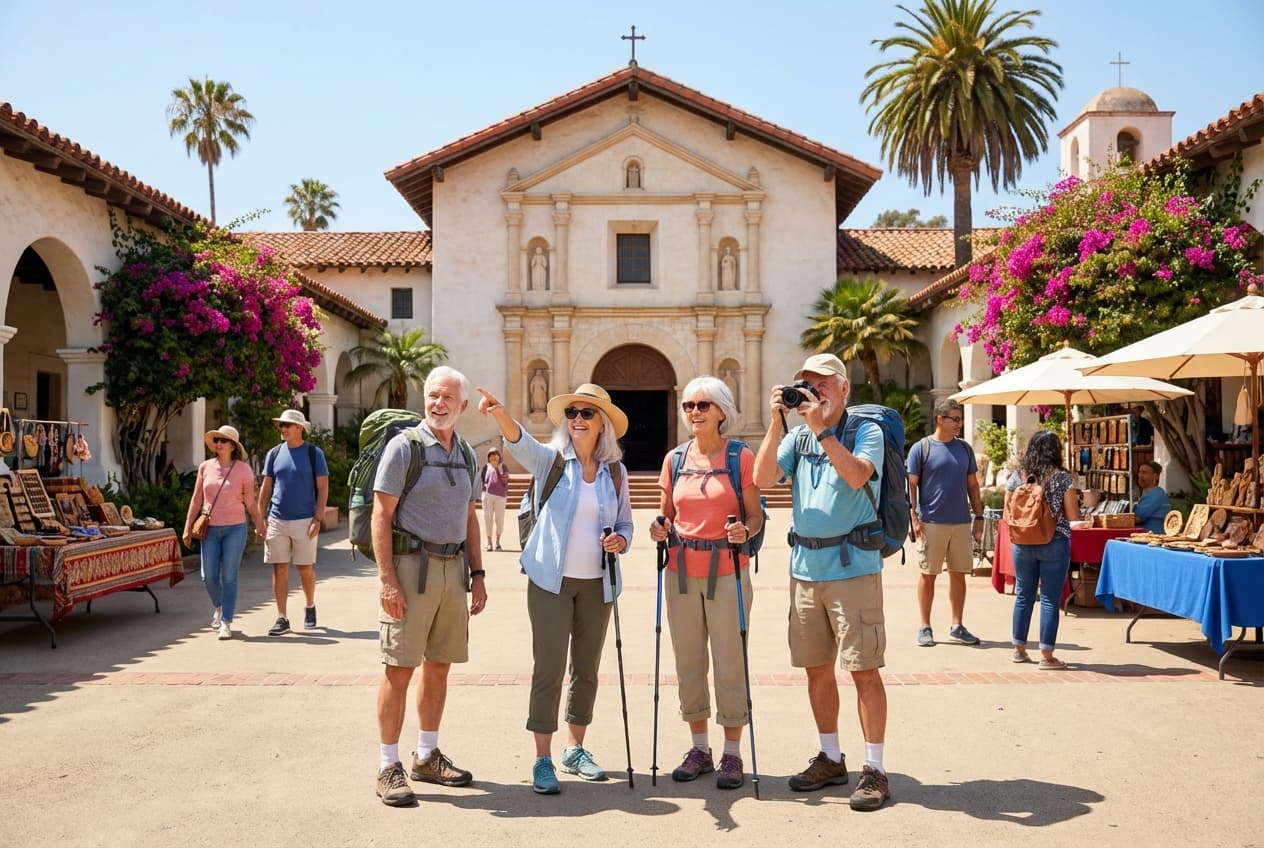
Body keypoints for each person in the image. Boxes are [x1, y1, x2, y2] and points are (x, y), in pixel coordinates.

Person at [477, 382, 633, 795]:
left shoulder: (614, 473)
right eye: (573, 413)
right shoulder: (552, 463)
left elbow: (626, 524)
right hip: (550, 582)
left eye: (587, 414)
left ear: (602, 424)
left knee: (586, 670)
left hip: (598, 583)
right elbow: (521, 443)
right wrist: (499, 412)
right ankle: (542, 758)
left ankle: (575, 749)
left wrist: (621, 540)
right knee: (548, 668)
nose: (577, 420)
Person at [753, 353, 891, 812]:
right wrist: (777, 423)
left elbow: (856, 476)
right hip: (805, 571)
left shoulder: (864, 432)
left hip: (853, 569)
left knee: (863, 670)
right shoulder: (797, 436)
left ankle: (876, 769)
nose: (814, 391)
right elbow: (761, 478)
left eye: (822, 384)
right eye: (806, 384)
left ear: (844, 387)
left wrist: (822, 430)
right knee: (816, 670)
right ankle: (831, 757)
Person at [373, 366, 487, 807]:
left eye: (447, 399)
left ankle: (426, 755)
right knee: (399, 669)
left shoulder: (467, 454)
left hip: (452, 569)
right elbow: (382, 516)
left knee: (439, 665)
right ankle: (388, 765)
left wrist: (477, 575)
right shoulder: (405, 448)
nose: (438, 404)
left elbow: (470, 517)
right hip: (410, 567)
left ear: (461, 407)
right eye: (432, 396)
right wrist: (387, 581)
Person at [647, 376, 761, 790]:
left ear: (721, 412)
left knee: (730, 661)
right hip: (680, 572)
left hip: (728, 571)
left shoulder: (740, 458)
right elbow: (666, 516)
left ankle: (732, 753)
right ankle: (699, 749)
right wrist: (659, 529)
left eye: (702, 405)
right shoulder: (674, 460)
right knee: (689, 661)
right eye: (688, 405)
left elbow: (755, 515)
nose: (693, 412)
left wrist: (744, 532)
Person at [906, 398, 984, 648]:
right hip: (931, 522)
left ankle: (957, 625)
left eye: (960, 419)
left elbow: (973, 485)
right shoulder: (921, 448)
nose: (959, 424)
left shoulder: (964, 450)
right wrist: (914, 518)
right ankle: (924, 626)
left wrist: (979, 517)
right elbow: (911, 486)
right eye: (955, 419)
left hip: (961, 522)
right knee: (928, 574)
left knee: (959, 574)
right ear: (940, 419)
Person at [1004, 430, 1079, 670]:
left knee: (1023, 595)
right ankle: (1046, 656)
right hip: (1054, 541)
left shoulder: (1018, 476)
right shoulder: (1063, 479)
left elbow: (1007, 512)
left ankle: (1019, 650)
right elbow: (1072, 516)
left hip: (1022, 542)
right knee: (1049, 599)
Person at [182, 425, 265, 641]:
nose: (219, 443)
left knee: (229, 577)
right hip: (209, 529)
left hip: (235, 529)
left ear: (233, 446)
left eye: (224, 440)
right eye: (217, 439)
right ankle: (219, 606)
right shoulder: (205, 467)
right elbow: (197, 499)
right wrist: (187, 527)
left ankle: (226, 621)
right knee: (208, 576)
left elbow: (250, 502)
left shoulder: (244, 470)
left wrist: (259, 525)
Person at [258, 409, 330, 635]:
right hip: (277, 519)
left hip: (304, 520)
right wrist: (260, 519)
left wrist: (318, 518)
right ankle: (282, 617)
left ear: (300, 428)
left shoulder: (313, 453)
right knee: (279, 568)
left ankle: (310, 605)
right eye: (281, 425)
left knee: (304, 568)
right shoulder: (274, 453)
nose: (283, 429)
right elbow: (266, 486)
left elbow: (322, 487)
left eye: (288, 425)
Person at [482, 447, 509, 551]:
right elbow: (482, 480)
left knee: (499, 519)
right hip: (487, 495)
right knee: (488, 518)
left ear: (499, 456)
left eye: (495, 454)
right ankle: (489, 543)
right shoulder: (486, 467)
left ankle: (498, 542)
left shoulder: (504, 467)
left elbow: (505, 481)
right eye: (491, 455)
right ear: (488, 457)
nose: (493, 456)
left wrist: (497, 469)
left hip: (500, 496)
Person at [1133, 460, 1171, 534]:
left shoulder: (1156, 494)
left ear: (1155, 476)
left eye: (1144, 473)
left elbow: (1139, 518)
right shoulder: (1150, 493)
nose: (1140, 475)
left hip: (1152, 535)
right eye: (1139, 472)